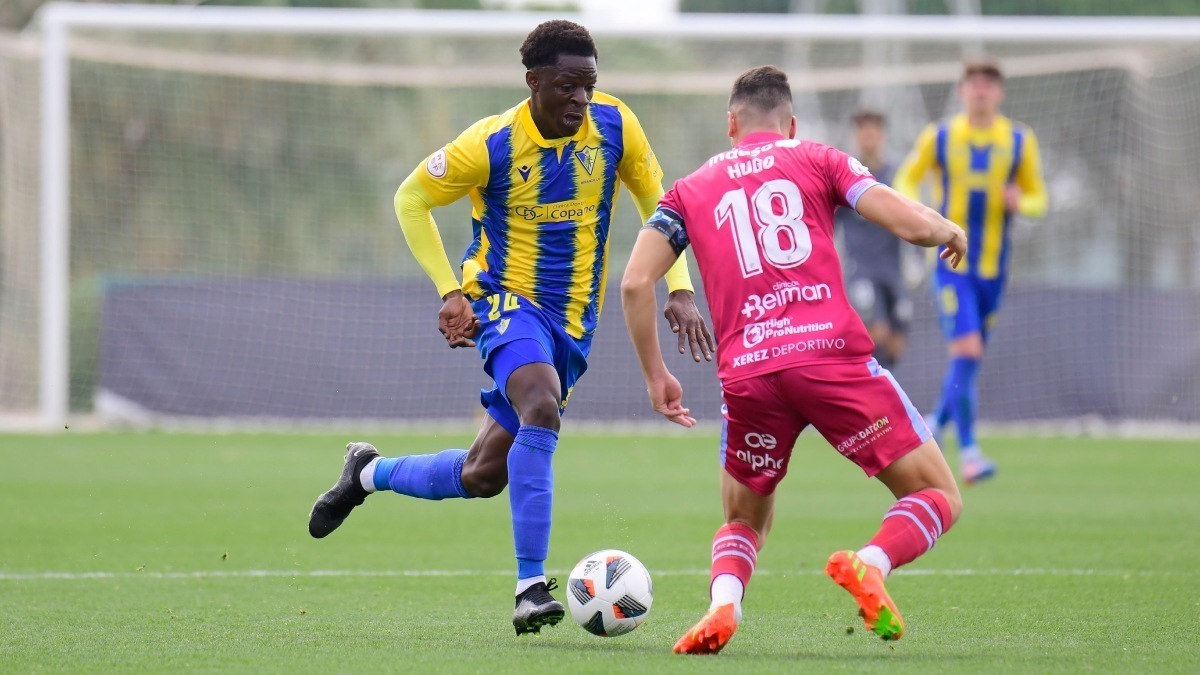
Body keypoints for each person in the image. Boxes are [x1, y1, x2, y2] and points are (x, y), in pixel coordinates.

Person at [307, 20, 712, 636]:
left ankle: (366, 473)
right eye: (568, 86)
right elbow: (409, 199)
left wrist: (679, 287)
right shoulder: (490, 143)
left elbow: (662, 205)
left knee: (482, 475)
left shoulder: (615, 125)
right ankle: (530, 587)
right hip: (502, 300)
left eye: (590, 85)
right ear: (534, 82)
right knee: (541, 405)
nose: (582, 98)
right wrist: (450, 290)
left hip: (573, 323)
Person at [621, 66, 966, 655]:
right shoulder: (818, 158)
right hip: (830, 359)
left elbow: (634, 284)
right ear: (791, 123)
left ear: (731, 123)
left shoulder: (690, 188)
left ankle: (723, 607)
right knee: (937, 495)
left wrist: (657, 376)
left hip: (751, 374)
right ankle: (871, 562)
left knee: (744, 521)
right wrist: (945, 228)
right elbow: (906, 222)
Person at [893, 58, 1048, 484]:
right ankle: (971, 453)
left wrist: (1022, 202)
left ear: (999, 93)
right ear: (962, 91)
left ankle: (932, 425)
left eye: (989, 84)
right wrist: (920, 216)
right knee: (968, 352)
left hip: (995, 271)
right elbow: (906, 180)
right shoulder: (940, 137)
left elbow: (1039, 199)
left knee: (969, 360)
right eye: (974, 83)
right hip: (951, 266)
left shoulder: (1018, 140)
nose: (981, 90)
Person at [834, 109, 913, 369]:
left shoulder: (897, 176)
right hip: (862, 270)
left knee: (896, 340)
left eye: (873, 130)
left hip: (893, 269)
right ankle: (875, 405)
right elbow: (829, 223)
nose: (868, 136)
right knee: (876, 332)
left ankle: (883, 396)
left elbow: (912, 215)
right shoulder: (846, 176)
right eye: (862, 130)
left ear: (882, 135)